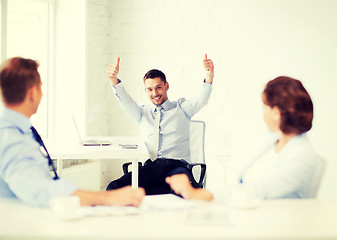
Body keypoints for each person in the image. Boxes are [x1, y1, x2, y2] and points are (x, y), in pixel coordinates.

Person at [0, 57, 145, 207]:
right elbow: (41, 191)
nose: (42, 95)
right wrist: (108, 198)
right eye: (41, 88)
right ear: (32, 93)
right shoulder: (11, 139)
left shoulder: (17, 131)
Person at [166, 76, 318, 201]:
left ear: (276, 113)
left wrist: (194, 193)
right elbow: (242, 182)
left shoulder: (302, 157)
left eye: (265, 108)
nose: (263, 115)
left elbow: (255, 192)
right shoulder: (274, 141)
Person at [106, 55, 214, 195]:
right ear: (146, 90)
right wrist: (113, 80)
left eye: (158, 88)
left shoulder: (182, 109)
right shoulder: (141, 113)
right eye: (150, 89)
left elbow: (202, 100)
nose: (155, 93)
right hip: (150, 168)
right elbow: (125, 101)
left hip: (177, 168)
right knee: (113, 187)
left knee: (180, 192)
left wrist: (209, 75)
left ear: (166, 86)